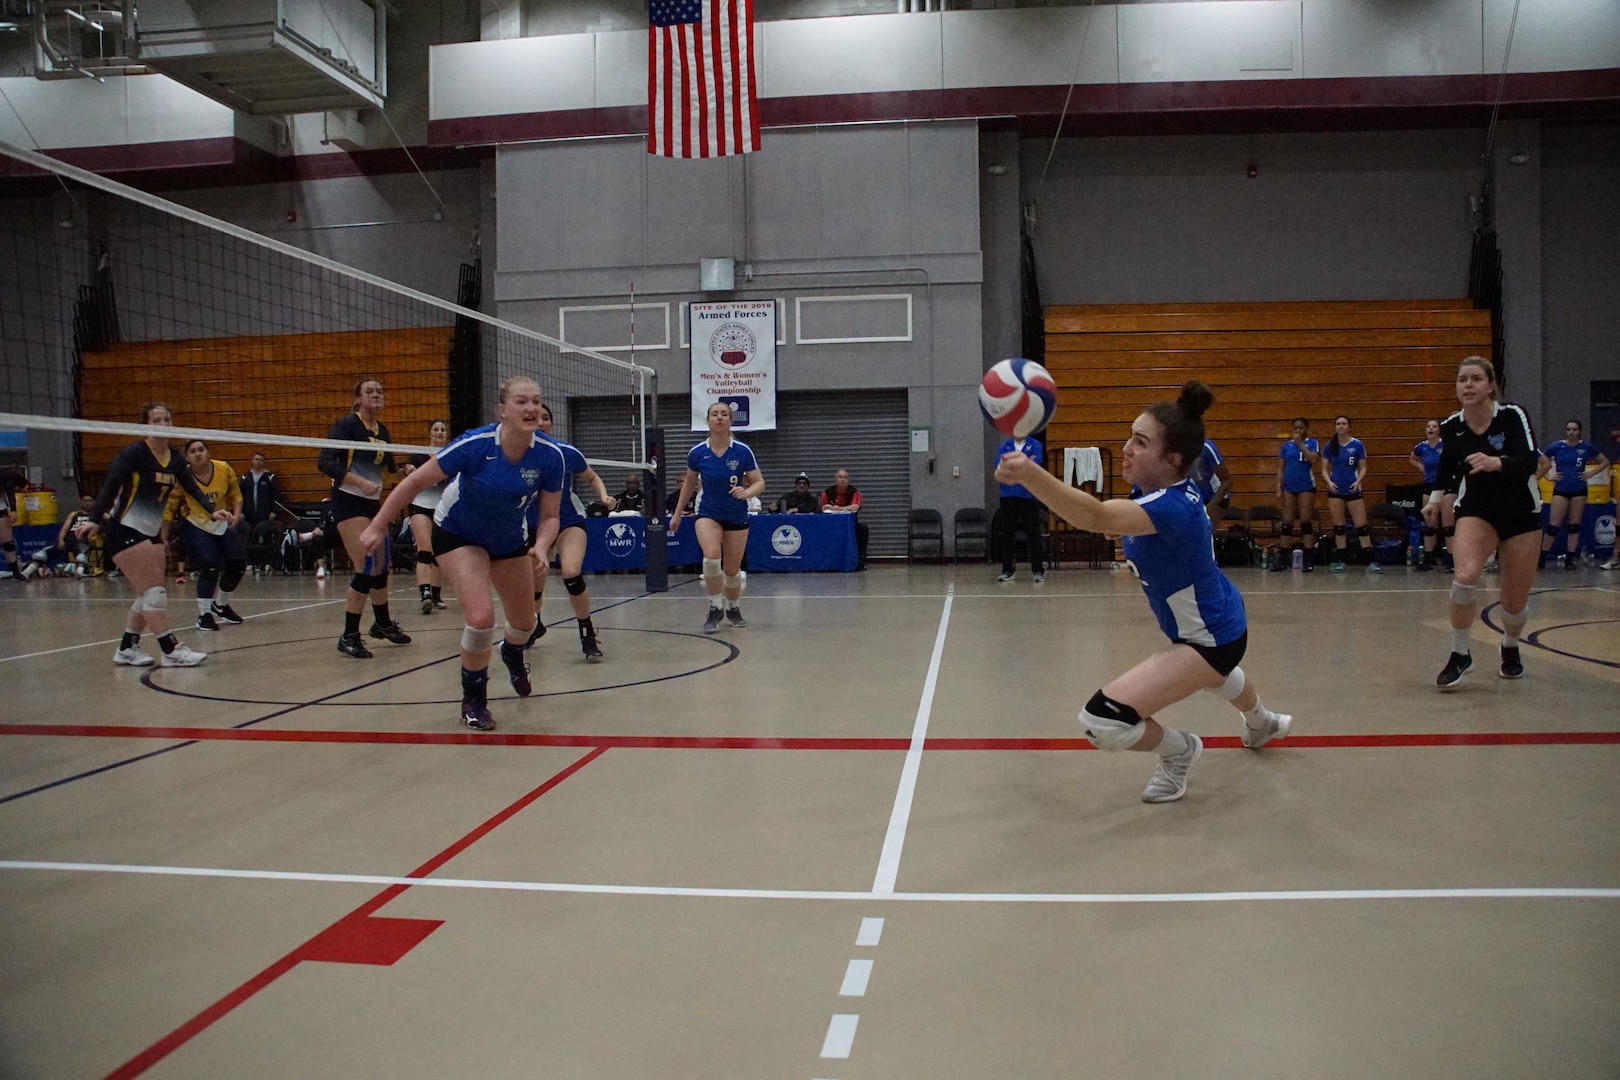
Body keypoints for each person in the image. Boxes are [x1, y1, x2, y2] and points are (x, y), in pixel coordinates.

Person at [995, 381, 1292, 803]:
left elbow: (1096, 516)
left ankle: (1180, 751)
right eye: (1130, 436)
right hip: (1221, 618)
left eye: (1140, 441)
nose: (1127, 448)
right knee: (1217, 676)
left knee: (1103, 720)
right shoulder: (1156, 493)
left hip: (1209, 640)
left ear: (1172, 459)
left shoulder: (1170, 507)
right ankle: (1260, 721)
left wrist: (1030, 475)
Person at [361, 376, 564, 731]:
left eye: (536, 401)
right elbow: (414, 482)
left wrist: (542, 546)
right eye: (521, 402)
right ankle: (473, 702)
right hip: (457, 533)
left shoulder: (549, 457)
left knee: (524, 624)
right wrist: (378, 525)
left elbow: (549, 516)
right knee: (482, 618)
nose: (531, 408)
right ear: (503, 410)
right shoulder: (476, 445)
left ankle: (512, 651)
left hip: (507, 540)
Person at [76, 402, 228, 667]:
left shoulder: (175, 458)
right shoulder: (135, 453)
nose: (162, 425)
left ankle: (127, 648)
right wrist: (93, 519)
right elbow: (110, 486)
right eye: (156, 420)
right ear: (145, 425)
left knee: (147, 594)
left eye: (166, 420)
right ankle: (171, 650)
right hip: (125, 529)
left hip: (152, 531)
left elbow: (191, 487)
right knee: (154, 593)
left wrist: (211, 511)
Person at [1434, 357, 1540, 686]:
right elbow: (1446, 467)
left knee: (1513, 602)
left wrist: (1497, 463)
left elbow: (1530, 461)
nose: (1468, 385)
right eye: (1462, 379)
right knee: (1465, 577)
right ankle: (1460, 653)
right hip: (1477, 508)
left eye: (1476, 379)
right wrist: (1436, 501)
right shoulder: (1451, 425)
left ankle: (1509, 646)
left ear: (1490, 385)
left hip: (1521, 510)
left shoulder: (1512, 416)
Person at [317, 377, 412, 658]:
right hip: (348, 500)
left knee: (381, 565)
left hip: (372, 503)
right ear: (358, 398)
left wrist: (404, 472)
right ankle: (348, 636)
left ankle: (382, 624)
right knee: (366, 566)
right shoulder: (348, 424)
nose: (376, 395)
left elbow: (388, 470)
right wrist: (359, 483)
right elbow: (325, 462)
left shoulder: (382, 431)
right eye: (370, 391)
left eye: (380, 391)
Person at [670, 401, 765, 632]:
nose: (719, 417)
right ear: (708, 420)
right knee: (712, 558)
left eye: (724, 414)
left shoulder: (742, 451)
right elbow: (689, 483)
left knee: (732, 569)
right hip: (708, 512)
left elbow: (760, 482)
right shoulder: (698, 453)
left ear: (731, 421)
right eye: (715, 414)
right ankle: (714, 607)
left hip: (736, 514)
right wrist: (677, 514)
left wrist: (747, 492)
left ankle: (732, 606)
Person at [534, 402, 614, 661]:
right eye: (535, 418)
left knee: (570, 572)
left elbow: (591, 477)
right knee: (532, 584)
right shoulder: (514, 454)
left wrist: (603, 496)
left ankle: (586, 632)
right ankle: (534, 624)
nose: (540, 422)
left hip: (567, 521)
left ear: (552, 424)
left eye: (545, 418)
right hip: (532, 526)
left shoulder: (565, 452)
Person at [161, 439, 247, 631]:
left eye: (201, 449)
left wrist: (237, 515)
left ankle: (221, 606)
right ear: (187, 457)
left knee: (238, 562)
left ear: (208, 452)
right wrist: (164, 537)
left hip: (222, 521)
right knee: (210, 564)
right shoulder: (182, 477)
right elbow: (169, 509)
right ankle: (204, 614)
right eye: (192, 451)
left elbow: (235, 494)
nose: (198, 454)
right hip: (195, 523)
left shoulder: (223, 468)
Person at [1537, 420, 1608, 569]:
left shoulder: (1586, 447)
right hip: (1561, 489)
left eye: (1574, 429)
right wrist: (1549, 476)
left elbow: (1604, 461)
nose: (1571, 432)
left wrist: (1590, 474)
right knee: (1553, 526)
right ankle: (1542, 558)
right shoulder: (1557, 446)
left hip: (1579, 489)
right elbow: (1541, 461)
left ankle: (1569, 559)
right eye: (1569, 429)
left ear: (1579, 431)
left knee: (1574, 525)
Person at [1321, 415, 1379, 573]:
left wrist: (1358, 481)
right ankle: (1341, 560)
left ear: (1349, 427)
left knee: (1362, 526)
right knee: (1339, 527)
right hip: (1335, 490)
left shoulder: (1357, 445)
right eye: (1338, 423)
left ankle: (1371, 561)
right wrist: (1329, 483)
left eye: (1344, 424)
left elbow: (1363, 467)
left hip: (1353, 489)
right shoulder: (1329, 446)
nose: (1341, 426)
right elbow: (1324, 469)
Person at [406, 419, 451, 615]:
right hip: (420, 505)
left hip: (442, 508)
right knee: (424, 549)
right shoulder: (418, 455)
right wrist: (410, 472)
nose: (439, 432)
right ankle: (425, 594)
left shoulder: (451, 456)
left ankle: (436, 595)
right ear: (430, 433)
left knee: (439, 553)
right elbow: (408, 475)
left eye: (442, 429)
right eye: (436, 429)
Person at [994, 437, 1045, 583]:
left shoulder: (1035, 445)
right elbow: (999, 465)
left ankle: (1038, 569)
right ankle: (1007, 569)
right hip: (1008, 495)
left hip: (1029, 495)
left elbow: (1035, 464)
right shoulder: (1005, 446)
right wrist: (1023, 465)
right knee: (1007, 533)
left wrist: (1014, 466)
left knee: (1033, 532)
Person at [1274, 417, 1319, 571]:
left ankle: (1309, 557)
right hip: (1289, 486)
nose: (1298, 431)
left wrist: (1300, 444)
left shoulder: (1312, 443)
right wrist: (1279, 488)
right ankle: (1283, 556)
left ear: (1306, 429)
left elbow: (1313, 460)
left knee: (1305, 521)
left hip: (1306, 485)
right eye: (1295, 428)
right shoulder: (1286, 446)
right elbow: (1281, 468)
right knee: (1287, 522)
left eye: (1301, 428)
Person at [1409, 420, 1454, 572]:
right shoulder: (1421, 447)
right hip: (1429, 485)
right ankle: (1428, 559)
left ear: (1439, 430)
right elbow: (1412, 458)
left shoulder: (1446, 445)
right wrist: (1422, 468)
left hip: (1446, 485)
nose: (1431, 428)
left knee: (1448, 526)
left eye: (1434, 426)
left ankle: (1451, 560)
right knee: (1430, 524)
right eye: (1428, 426)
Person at [24, 494, 101, 577]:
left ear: (94, 502)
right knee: (41, 555)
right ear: (81, 502)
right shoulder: (73, 514)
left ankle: (79, 572)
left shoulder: (97, 515)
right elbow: (64, 529)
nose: (88, 503)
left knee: (81, 555)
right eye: (85, 501)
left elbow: (109, 520)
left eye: (90, 501)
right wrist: (61, 540)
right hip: (69, 539)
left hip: (83, 540)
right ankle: (26, 573)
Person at [237, 451, 283, 573]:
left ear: (264, 462)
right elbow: (239, 496)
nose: (258, 462)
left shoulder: (270, 477)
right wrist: (239, 511)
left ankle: (267, 562)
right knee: (250, 538)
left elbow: (276, 496)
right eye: (256, 459)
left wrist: (274, 510)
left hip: (265, 513)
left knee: (266, 537)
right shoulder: (245, 477)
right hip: (249, 513)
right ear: (252, 461)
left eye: (261, 460)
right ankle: (250, 563)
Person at [1188, 437, 1234, 527]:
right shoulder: (1177, 448)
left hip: (1214, 497)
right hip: (1195, 497)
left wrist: (1209, 508)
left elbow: (1227, 481)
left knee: (1204, 531)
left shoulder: (1206, 447)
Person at [0, 469, 23, 581]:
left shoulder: (3, 473)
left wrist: (13, 510)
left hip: (1, 509)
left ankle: (15, 572)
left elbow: (10, 490)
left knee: (8, 543)